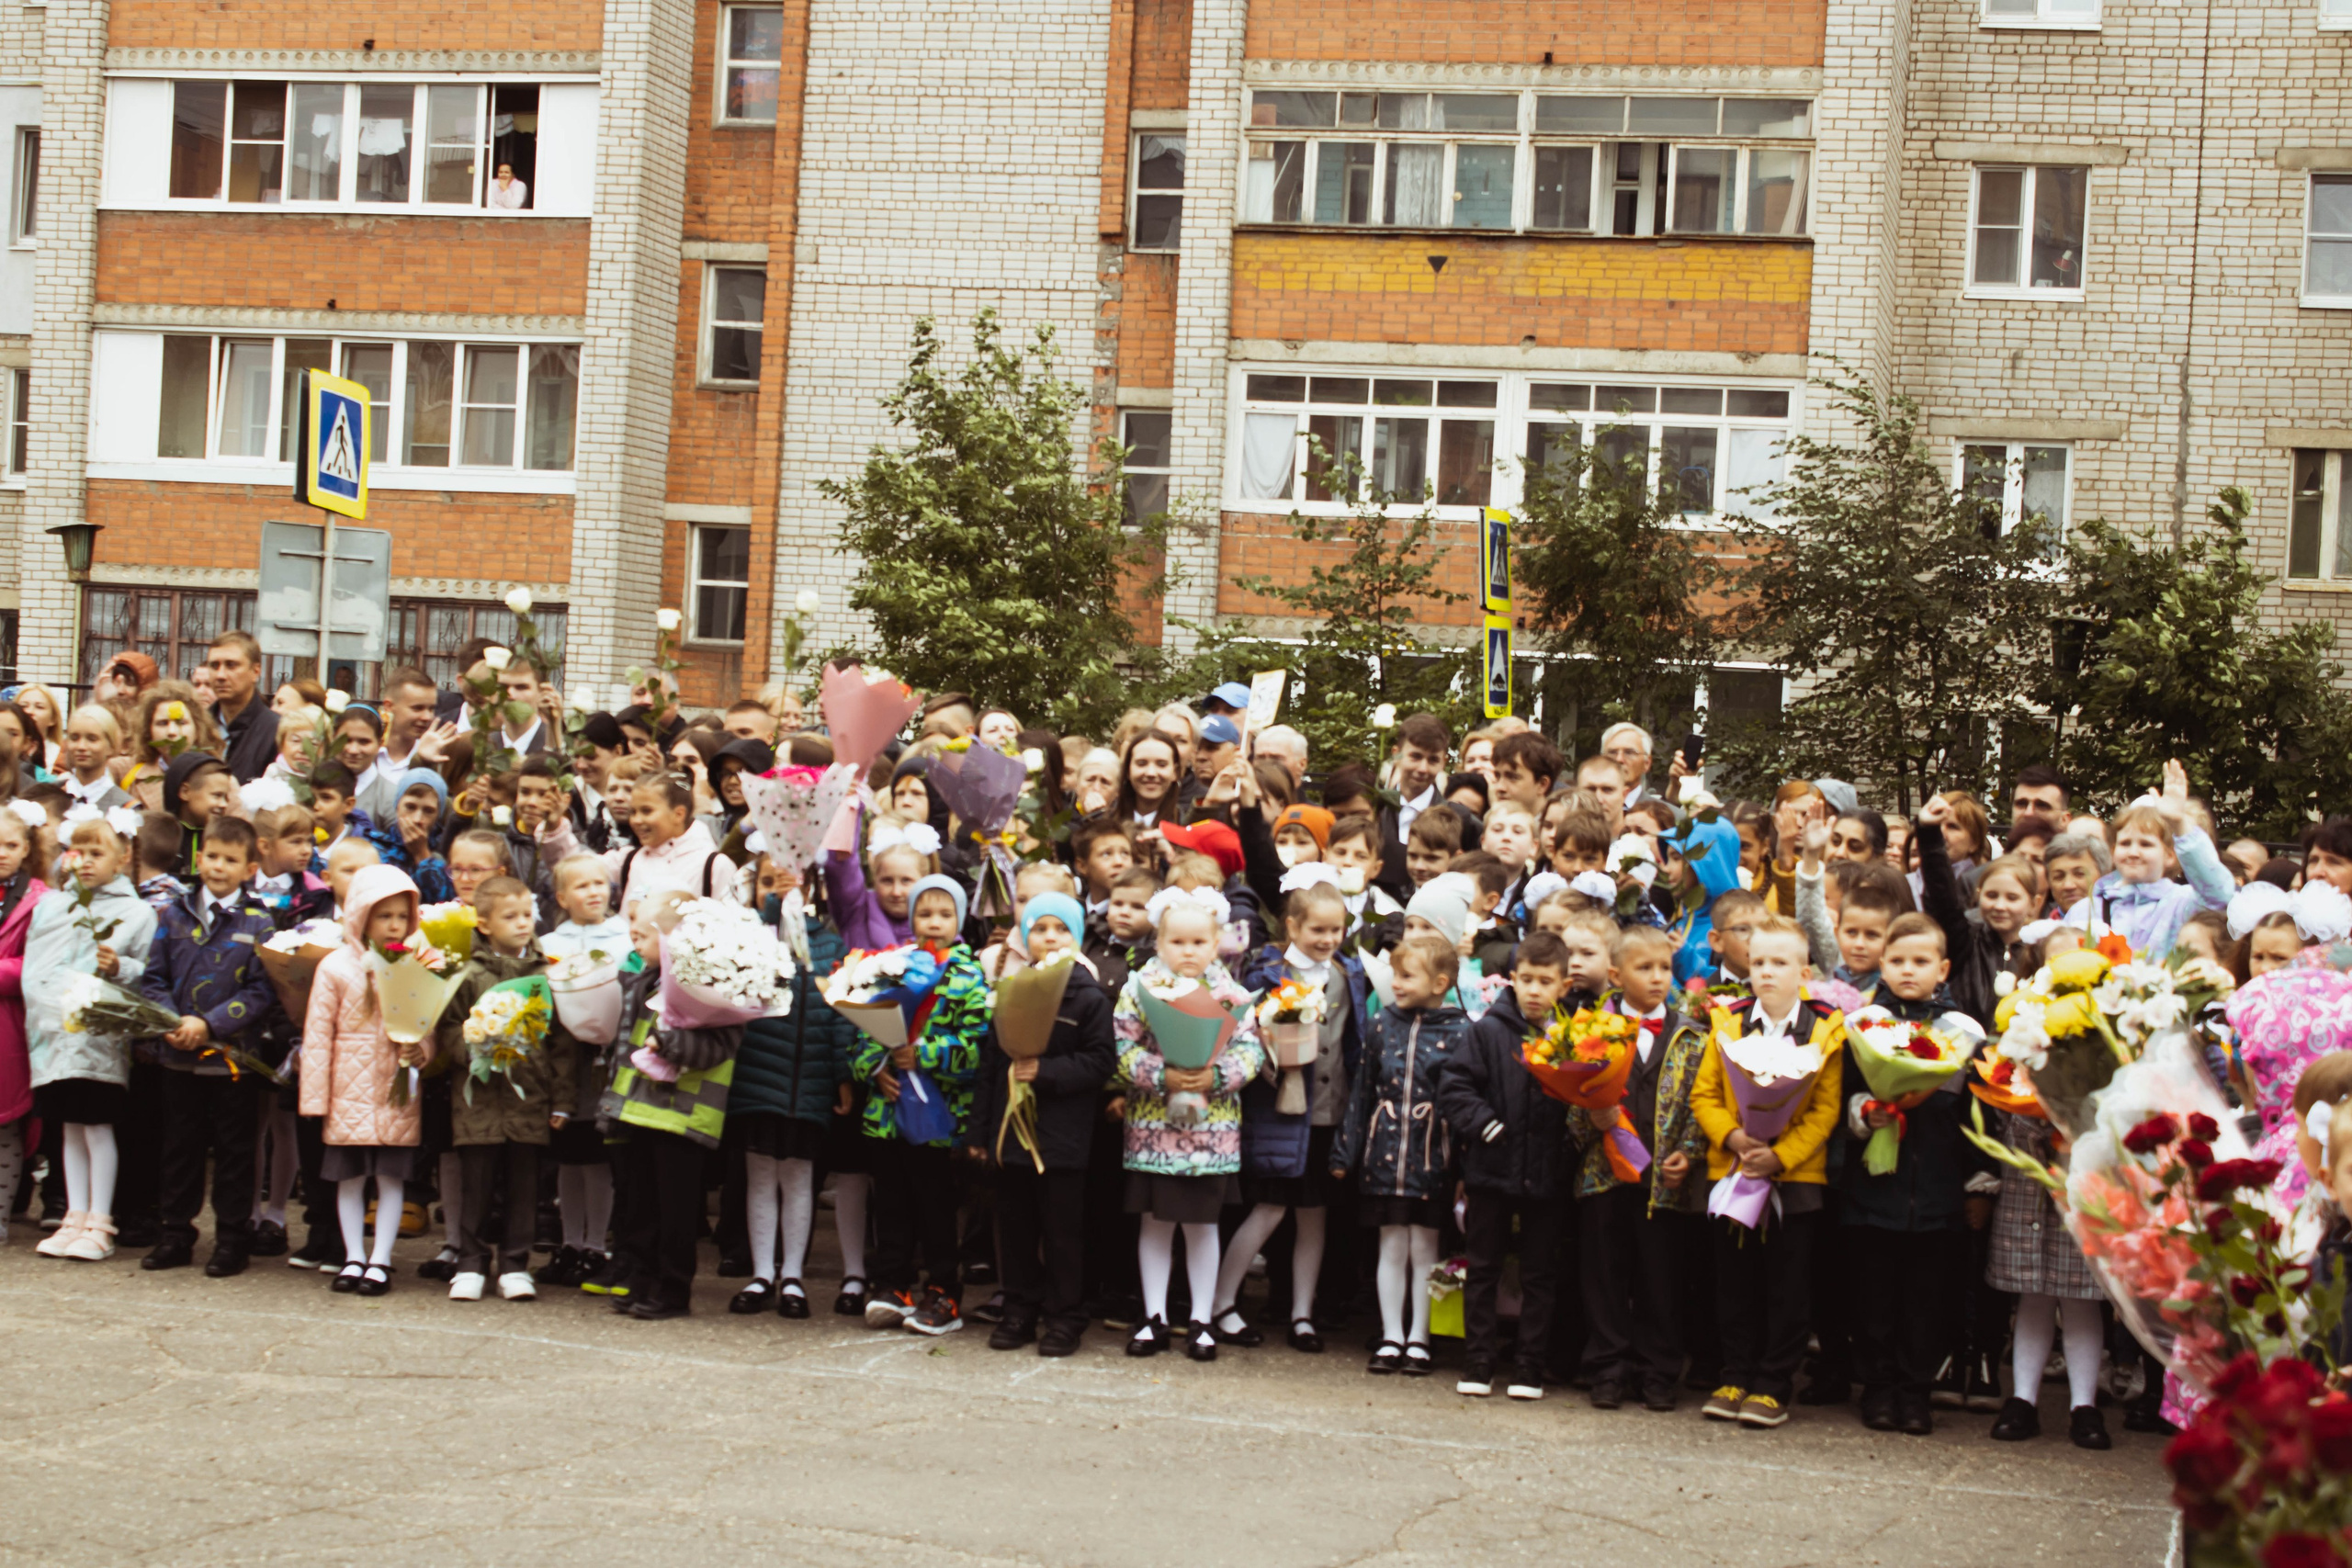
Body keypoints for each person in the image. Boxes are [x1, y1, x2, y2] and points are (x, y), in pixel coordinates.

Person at [1690, 915, 1844, 1429]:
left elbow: (1824, 1109)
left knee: (1787, 1283)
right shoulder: (1727, 1021)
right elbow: (1705, 1095)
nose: (1767, 972)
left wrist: (1781, 1155)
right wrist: (1734, 1139)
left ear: (1805, 972)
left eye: (1779, 962)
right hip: (1734, 1172)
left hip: (1794, 1179)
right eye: (1758, 962)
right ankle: (1735, 1374)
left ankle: (1774, 1383)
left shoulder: (1825, 1028)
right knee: (1734, 1281)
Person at [1837, 914, 1976, 1438]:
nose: (1908, 970)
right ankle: (1877, 1388)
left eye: (1920, 961)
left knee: (1926, 1299)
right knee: (1873, 1295)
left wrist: (1978, 1183)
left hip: (1937, 1187)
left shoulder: (1960, 1031)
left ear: (1943, 969)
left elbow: (1973, 1113)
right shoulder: (1864, 1024)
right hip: (1874, 1190)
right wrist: (1865, 1112)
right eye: (1897, 961)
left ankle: (1915, 1392)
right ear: (1882, 965)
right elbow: (1842, 1090)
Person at [1114, 886, 1264, 1361]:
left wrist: (1215, 1076)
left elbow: (1251, 1050)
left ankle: (1201, 1318)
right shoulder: (1140, 989)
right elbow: (1122, 1047)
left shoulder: (1231, 994)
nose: (1188, 951)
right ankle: (1154, 1316)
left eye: (1199, 942)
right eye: (1176, 942)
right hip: (1153, 1130)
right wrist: (1162, 1074)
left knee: (1202, 1225)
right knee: (1155, 1224)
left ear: (1216, 942)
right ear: (1159, 942)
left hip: (1211, 1136)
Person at [1220, 878, 1365, 1353]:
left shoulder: (1347, 975)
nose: (1327, 939)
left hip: (1328, 1112)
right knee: (1269, 1208)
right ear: (1293, 926)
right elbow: (1242, 1034)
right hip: (1282, 1111)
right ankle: (1222, 1302)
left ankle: (1303, 1312)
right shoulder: (1267, 975)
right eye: (1317, 930)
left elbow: (1353, 1042)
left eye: (1336, 930)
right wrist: (1269, 1061)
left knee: (1314, 1214)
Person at [973, 893, 1117, 1356]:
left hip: (1063, 1138)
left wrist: (1047, 1072)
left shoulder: (1088, 997)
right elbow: (991, 1065)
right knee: (1015, 1228)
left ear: (1077, 938)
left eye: (1061, 929)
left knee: (1062, 1232)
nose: (1050, 937)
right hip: (1012, 1134)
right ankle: (1019, 1309)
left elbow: (1100, 1062)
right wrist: (980, 1132)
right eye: (1039, 929)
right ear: (1025, 937)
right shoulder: (1012, 991)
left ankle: (1065, 1315)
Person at [1573, 925, 1707, 1412]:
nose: (1657, 978)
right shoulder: (1589, 1030)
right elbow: (1570, 1095)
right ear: (1615, 975)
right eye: (1644, 968)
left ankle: (1658, 1371)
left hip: (1664, 1182)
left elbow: (1702, 1102)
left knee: (1662, 1278)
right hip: (1604, 1177)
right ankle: (1608, 1367)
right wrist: (1589, 1119)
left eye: (1665, 968)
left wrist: (1689, 1152)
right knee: (1605, 1275)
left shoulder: (1692, 1036)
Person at [140, 814, 279, 1278]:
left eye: (230, 860)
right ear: (199, 859)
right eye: (213, 856)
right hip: (178, 1055)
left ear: (249, 869)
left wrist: (211, 1024)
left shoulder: (259, 922)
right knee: (180, 1148)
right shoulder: (174, 914)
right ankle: (175, 1233)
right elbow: (154, 977)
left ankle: (232, 1239)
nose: (219, 867)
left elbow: (261, 991)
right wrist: (171, 1021)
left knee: (235, 1151)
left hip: (231, 1060)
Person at [851, 874, 989, 1336]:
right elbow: (862, 1029)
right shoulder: (890, 967)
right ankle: (893, 1285)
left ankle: (943, 1291)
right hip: (887, 1113)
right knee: (890, 1203)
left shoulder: (970, 976)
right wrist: (876, 1067)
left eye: (945, 914)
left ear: (960, 919)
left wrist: (924, 1055)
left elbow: (977, 1046)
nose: (934, 923)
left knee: (936, 1206)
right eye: (924, 914)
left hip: (939, 1116)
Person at [601, 890, 745, 1320]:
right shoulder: (645, 980)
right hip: (639, 1109)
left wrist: (667, 1043)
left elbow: (719, 1046)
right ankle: (642, 1279)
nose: (634, 944)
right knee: (641, 1204)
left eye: (642, 936)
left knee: (675, 1208)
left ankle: (673, 1288)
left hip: (684, 1114)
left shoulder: (709, 987)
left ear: (673, 940)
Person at [728, 856, 861, 1318]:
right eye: (769, 881)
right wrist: (771, 908)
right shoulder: (753, 934)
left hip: (811, 1080)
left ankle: (792, 1276)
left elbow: (840, 1012)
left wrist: (842, 1076)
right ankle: (762, 1272)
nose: (781, 888)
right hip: (760, 1074)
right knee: (761, 1175)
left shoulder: (830, 945)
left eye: (792, 880)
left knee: (799, 1178)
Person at [1332, 932, 1470, 1376]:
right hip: (1385, 1155)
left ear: (1439, 983)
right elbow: (1362, 1090)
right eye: (1395, 974)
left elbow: (1466, 1103)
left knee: (1425, 1246)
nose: (1395, 983)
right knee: (1391, 1243)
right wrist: (1346, 1151)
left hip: (1433, 1157)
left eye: (1407, 976)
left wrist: (1464, 1169)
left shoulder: (1463, 1031)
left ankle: (1420, 1338)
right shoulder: (1381, 1024)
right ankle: (1392, 1334)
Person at [301, 864, 435, 1296]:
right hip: (349, 1093)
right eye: (384, 916)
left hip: (395, 1092)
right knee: (350, 1178)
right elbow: (317, 1036)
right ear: (362, 916)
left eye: (402, 916)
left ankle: (380, 1259)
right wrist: (315, 1099)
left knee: (391, 1178)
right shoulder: (336, 967)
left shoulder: (417, 963)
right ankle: (353, 1255)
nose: (395, 924)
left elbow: (427, 1023)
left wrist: (422, 1050)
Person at [0, 804, 46, 1245]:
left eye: (11, 845)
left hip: (9, 1027)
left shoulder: (39, 900)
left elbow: (38, 964)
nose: (2, 853)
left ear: (27, 848)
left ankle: (1, 1214)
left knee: (7, 1125)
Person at [1373, 713, 1453, 900]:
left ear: (1444, 762)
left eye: (1433, 760)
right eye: (1415, 757)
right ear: (1397, 755)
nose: (1423, 768)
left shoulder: (1456, 817)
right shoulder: (1375, 809)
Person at [202, 633, 278, 783]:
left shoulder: (276, 731)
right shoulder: (197, 725)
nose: (220, 675)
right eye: (214, 666)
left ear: (255, 671)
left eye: (231, 665)